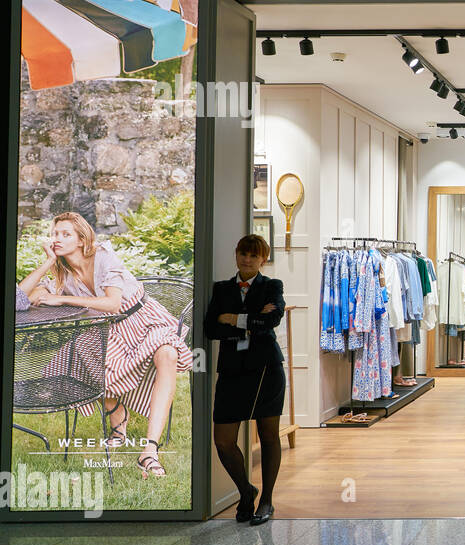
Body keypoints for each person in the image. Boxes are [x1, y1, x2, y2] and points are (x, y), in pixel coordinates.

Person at [18, 212, 191, 479]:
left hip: (142, 319)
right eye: (55, 234)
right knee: (83, 353)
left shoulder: (103, 256)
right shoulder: (63, 273)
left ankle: (149, 450)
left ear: (81, 238)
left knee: (167, 353)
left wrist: (61, 300)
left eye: (66, 234)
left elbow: (112, 304)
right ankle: (118, 421)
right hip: (108, 330)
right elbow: (20, 298)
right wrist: (47, 263)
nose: (58, 239)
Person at [203, 234, 285, 525]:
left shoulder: (272, 286)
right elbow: (211, 328)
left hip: (266, 369)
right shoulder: (222, 288)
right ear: (236, 254)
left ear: (263, 259)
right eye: (242, 253)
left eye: (253, 255)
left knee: (268, 435)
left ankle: (267, 500)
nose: (247, 259)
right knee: (223, 440)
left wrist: (233, 319)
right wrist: (251, 322)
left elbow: (271, 321)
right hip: (232, 370)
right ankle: (246, 490)